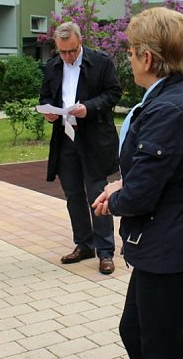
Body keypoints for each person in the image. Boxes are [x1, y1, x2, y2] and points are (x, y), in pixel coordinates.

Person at [92, 7, 183, 358]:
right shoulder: (170, 99)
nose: (130, 59)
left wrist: (114, 199)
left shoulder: (169, 108)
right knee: (135, 330)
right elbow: (155, 172)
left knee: (157, 344)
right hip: (166, 239)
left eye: (132, 52)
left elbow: (142, 194)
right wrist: (122, 186)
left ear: (147, 58)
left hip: (171, 244)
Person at [39, 22, 121, 274]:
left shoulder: (100, 61)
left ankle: (105, 251)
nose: (68, 57)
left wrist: (89, 107)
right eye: (63, 52)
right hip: (65, 138)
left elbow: (114, 93)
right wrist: (48, 112)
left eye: (72, 51)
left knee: (97, 192)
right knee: (73, 193)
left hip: (93, 137)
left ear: (80, 41)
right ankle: (84, 244)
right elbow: (44, 98)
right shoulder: (53, 66)